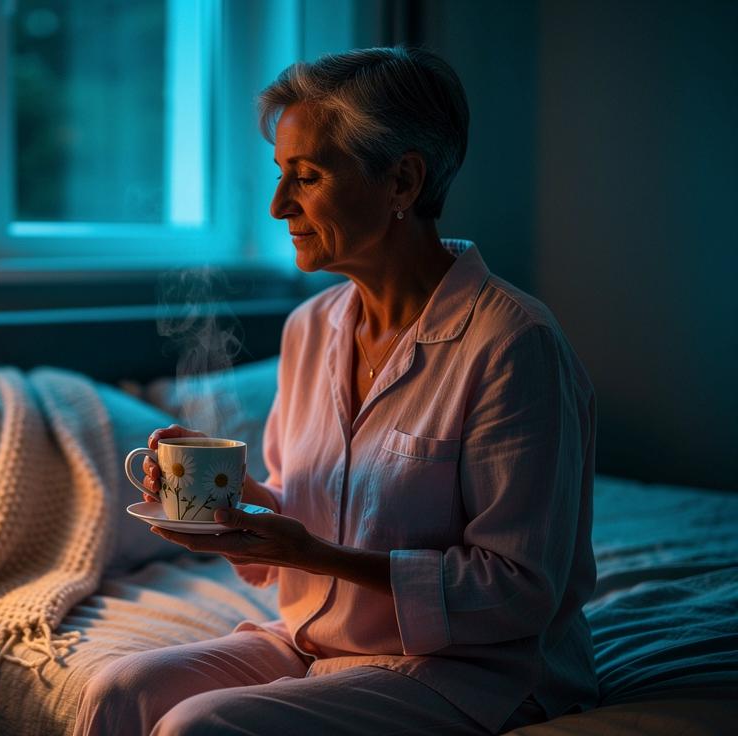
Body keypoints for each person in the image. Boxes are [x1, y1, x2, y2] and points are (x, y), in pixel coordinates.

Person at [72, 47, 598, 736]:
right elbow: (305, 506)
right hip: (318, 641)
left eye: (308, 177)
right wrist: (232, 506)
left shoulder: (511, 343)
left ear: (402, 181)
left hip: (470, 670)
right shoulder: (311, 328)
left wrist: (312, 556)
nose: (278, 205)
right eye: (279, 175)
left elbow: (520, 588)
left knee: (199, 726)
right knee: (118, 689)